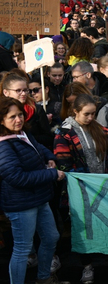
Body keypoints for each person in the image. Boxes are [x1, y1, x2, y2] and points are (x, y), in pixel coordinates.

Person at [53, 94, 108, 282]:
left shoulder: (101, 130)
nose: (91, 118)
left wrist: (107, 177)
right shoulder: (64, 134)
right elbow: (64, 164)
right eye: (86, 114)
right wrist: (87, 183)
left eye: (93, 113)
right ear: (75, 112)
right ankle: (87, 267)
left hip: (104, 188)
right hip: (79, 191)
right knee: (83, 229)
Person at [0, 97, 65, 284]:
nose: (18, 119)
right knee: (22, 249)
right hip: (21, 204)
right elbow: (16, 177)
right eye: (12, 116)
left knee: (51, 237)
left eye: (20, 114)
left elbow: (37, 148)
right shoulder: (4, 145)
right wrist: (52, 174)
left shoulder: (22, 134)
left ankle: (43, 278)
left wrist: (50, 157)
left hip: (38, 198)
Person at [2, 73, 54, 150]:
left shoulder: (36, 109)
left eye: (25, 90)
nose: (23, 93)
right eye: (18, 90)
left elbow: (48, 138)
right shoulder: (2, 111)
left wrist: (27, 138)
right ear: (6, 92)